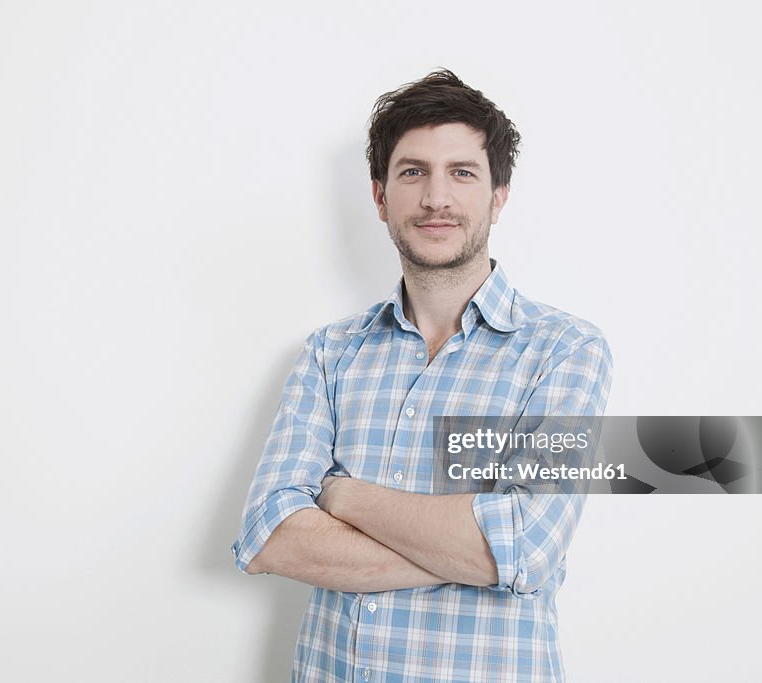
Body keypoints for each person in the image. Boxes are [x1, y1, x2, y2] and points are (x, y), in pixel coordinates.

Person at [232, 69, 613, 682]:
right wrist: (470, 550)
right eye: (413, 172)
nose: (437, 197)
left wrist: (340, 494)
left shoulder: (564, 351)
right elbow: (268, 536)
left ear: (499, 195)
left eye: (462, 172)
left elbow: (525, 547)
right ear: (381, 197)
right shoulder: (331, 353)